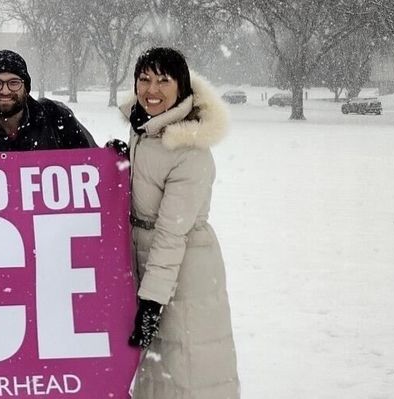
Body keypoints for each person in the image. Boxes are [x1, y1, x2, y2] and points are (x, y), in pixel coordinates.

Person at [120, 47, 240, 399]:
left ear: (181, 87)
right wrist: (120, 161)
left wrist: (153, 301)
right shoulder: (145, 130)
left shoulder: (189, 150)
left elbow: (172, 233)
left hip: (184, 270)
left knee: (186, 369)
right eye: (144, 79)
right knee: (156, 371)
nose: (151, 89)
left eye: (163, 80)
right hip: (152, 262)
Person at [0, 49, 96, 152]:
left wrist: (113, 156)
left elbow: (94, 164)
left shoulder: (56, 119)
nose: (5, 91)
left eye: (14, 83)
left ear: (26, 88)